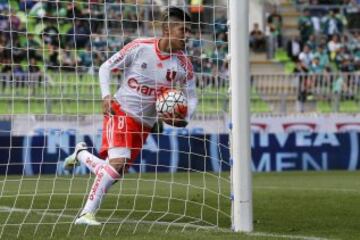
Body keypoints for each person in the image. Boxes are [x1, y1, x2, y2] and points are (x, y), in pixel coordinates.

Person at [63, 7, 198, 226]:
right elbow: (105, 67)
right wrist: (106, 95)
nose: (187, 35)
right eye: (183, 30)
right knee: (116, 164)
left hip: (145, 124)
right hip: (120, 111)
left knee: (114, 171)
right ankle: (85, 214)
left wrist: (185, 117)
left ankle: (81, 154)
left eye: (189, 31)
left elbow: (192, 97)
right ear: (167, 29)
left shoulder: (184, 65)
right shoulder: (140, 47)